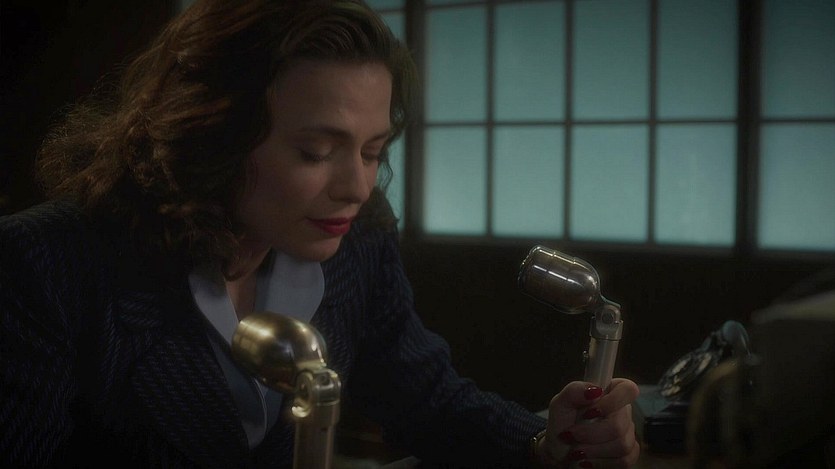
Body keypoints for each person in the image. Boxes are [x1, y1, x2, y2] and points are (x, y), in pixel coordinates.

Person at [0, 1, 640, 467]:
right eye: (315, 151)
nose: (357, 187)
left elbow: (426, 398)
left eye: (372, 151)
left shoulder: (356, 241)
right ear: (210, 136)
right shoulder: (45, 265)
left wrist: (545, 442)